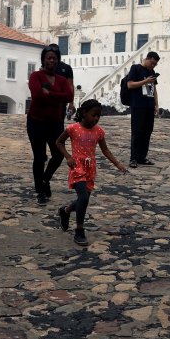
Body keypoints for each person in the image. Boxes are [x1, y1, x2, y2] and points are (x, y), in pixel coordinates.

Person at [55, 99, 128, 245]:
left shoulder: (99, 132)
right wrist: (68, 157)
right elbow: (59, 142)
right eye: (93, 115)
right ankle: (79, 231)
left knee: (83, 199)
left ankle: (66, 210)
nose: (95, 118)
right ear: (83, 113)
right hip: (76, 168)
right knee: (84, 198)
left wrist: (117, 163)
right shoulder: (73, 128)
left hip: (90, 169)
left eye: (98, 116)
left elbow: (105, 149)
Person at [28, 46, 75, 204]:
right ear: (43, 60)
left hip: (55, 122)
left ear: (58, 61)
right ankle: (40, 191)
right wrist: (57, 97)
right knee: (39, 157)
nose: (51, 60)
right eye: (48, 57)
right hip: (36, 121)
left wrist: (50, 93)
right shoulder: (36, 76)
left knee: (58, 154)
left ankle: (45, 179)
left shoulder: (61, 80)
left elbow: (68, 96)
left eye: (54, 58)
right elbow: (37, 95)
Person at [125, 51, 160, 167]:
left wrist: (156, 104)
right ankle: (133, 158)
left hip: (149, 105)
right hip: (138, 104)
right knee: (137, 132)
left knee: (147, 132)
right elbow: (130, 85)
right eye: (152, 63)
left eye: (155, 64)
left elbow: (154, 88)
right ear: (147, 58)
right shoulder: (135, 68)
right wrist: (145, 81)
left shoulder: (152, 72)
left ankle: (142, 157)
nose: (153, 66)